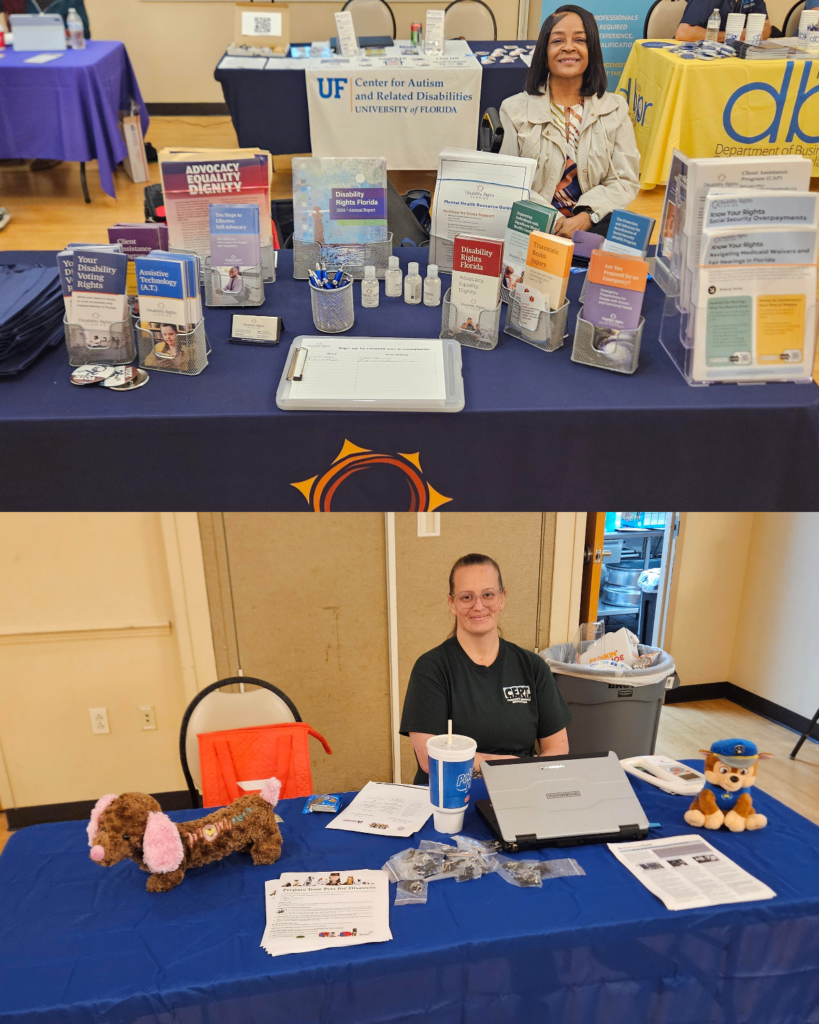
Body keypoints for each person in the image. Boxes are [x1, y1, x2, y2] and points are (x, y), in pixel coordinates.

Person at [400, 553, 572, 785]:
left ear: (502, 599)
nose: (478, 605)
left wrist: (484, 762)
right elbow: (432, 761)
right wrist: (511, 765)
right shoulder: (431, 669)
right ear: (452, 603)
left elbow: (558, 751)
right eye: (467, 597)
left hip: (521, 793)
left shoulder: (532, 667)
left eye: (488, 594)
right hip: (450, 797)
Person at [499, 5, 640, 239]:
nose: (568, 47)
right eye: (557, 41)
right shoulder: (513, 111)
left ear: (591, 49)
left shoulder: (614, 109)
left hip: (592, 223)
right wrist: (555, 220)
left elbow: (624, 181)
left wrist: (585, 217)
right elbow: (510, 182)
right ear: (544, 52)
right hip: (533, 225)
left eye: (579, 40)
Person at [675, 0, 771, 42]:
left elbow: (766, 25)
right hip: (698, 53)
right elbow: (683, 33)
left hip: (734, 54)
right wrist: (733, 36)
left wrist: (760, 35)